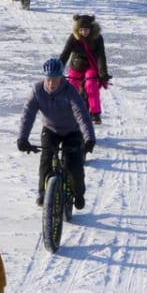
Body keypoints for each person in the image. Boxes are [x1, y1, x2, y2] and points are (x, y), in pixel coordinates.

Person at [16, 56, 95, 209]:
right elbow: (28, 114)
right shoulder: (37, 90)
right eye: (49, 79)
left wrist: (89, 138)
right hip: (50, 130)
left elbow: (81, 114)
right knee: (46, 160)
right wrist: (22, 138)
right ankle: (43, 194)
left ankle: (78, 193)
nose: (51, 83)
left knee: (74, 165)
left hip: (72, 131)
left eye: (55, 79)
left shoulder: (70, 91)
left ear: (61, 78)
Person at [57, 13, 110, 125]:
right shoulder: (74, 37)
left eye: (86, 30)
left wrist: (103, 72)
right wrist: (57, 69)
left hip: (91, 65)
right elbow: (65, 54)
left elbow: (101, 56)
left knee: (91, 84)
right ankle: (69, 110)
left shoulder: (98, 38)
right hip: (77, 65)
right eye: (81, 30)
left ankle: (95, 113)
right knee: (72, 87)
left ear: (91, 29)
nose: (84, 32)